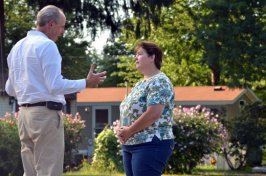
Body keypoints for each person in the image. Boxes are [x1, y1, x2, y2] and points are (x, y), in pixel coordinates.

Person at [5, 5, 106, 176]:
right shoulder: (47, 46)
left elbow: (10, 89)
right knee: (49, 171)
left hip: (24, 117)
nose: (63, 31)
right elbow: (55, 86)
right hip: (45, 116)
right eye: (62, 26)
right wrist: (85, 82)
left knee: (29, 172)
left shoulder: (17, 48)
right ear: (51, 24)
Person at [116, 41, 175, 176]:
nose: (135, 58)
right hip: (131, 144)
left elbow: (154, 113)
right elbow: (127, 109)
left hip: (150, 143)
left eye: (139, 54)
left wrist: (129, 130)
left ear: (152, 57)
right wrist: (120, 128)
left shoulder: (160, 81)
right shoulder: (139, 84)